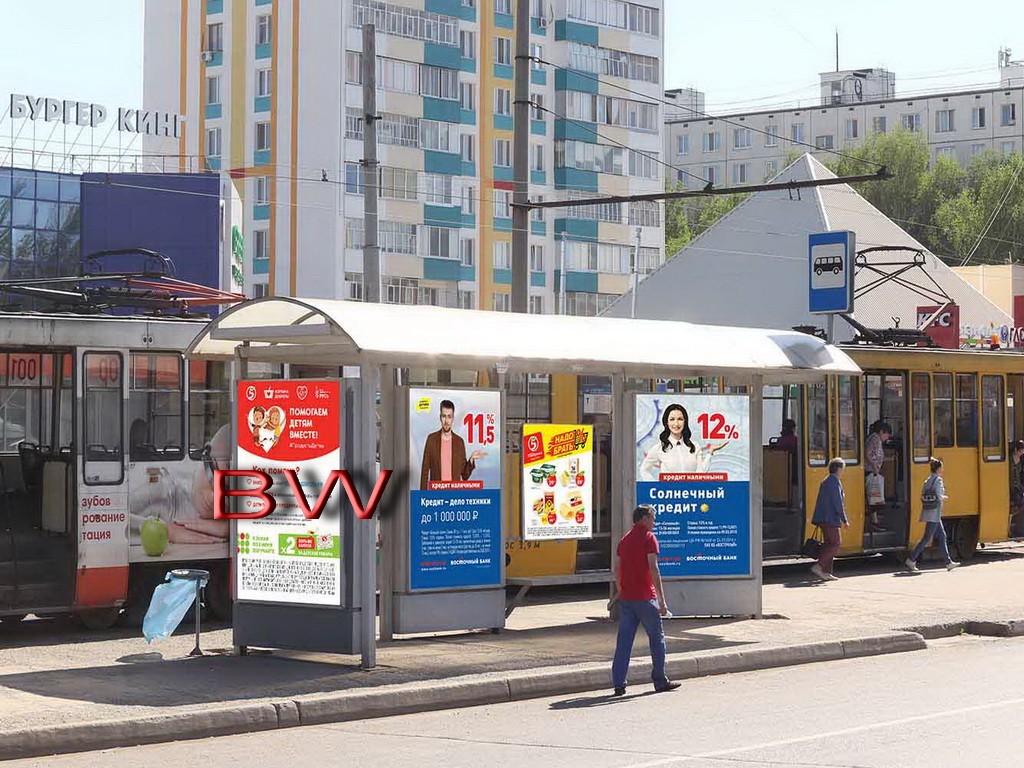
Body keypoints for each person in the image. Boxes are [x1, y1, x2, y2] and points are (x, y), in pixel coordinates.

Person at [611, 505, 681, 696]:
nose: (654, 522)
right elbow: (654, 568)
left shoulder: (624, 540)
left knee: (624, 642)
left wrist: (620, 590)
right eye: (652, 517)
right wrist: (662, 601)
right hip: (645, 598)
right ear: (643, 518)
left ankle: (619, 683)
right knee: (657, 640)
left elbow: (618, 569)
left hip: (627, 599)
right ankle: (660, 681)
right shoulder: (649, 538)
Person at [639, 404, 729, 481]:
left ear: (685, 421)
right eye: (672, 419)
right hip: (670, 498)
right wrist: (658, 488)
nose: (676, 424)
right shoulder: (659, 448)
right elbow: (644, 470)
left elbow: (700, 473)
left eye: (680, 419)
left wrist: (710, 452)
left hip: (691, 495)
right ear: (666, 422)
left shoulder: (694, 446)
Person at [419, 399, 487, 491]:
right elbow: (425, 471)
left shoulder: (459, 442)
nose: (446, 420)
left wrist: (471, 460)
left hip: (454, 497)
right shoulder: (431, 439)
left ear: (453, 418)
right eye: (444, 416)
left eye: (449, 417)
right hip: (436, 496)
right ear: (440, 417)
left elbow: (464, 475)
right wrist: (422, 496)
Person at [905, 458, 959, 572]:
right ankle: (911, 559)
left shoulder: (927, 480)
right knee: (926, 538)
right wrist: (945, 497)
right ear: (938, 469)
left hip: (929, 511)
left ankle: (948, 562)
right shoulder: (938, 480)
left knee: (942, 536)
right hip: (935, 512)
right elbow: (939, 495)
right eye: (941, 467)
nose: (942, 469)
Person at [810, 457, 849, 581]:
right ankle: (819, 566)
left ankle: (826, 572)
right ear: (838, 469)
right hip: (829, 518)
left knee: (829, 544)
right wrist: (845, 520)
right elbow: (838, 503)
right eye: (842, 469)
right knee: (836, 543)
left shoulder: (827, 481)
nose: (843, 471)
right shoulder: (834, 482)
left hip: (824, 517)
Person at [865, 421, 892, 527]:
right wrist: (874, 466)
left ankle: (874, 519)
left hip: (872, 470)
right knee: (874, 495)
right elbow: (867, 453)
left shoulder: (875, 439)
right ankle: (874, 520)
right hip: (871, 471)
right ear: (881, 432)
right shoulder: (875, 439)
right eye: (886, 435)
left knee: (874, 495)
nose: (887, 438)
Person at [1010, 440, 1024, 519]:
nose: (1021, 453)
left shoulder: (1020, 461)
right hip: (1011, 486)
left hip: (1017, 485)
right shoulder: (1009, 460)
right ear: (1015, 450)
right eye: (1020, 451)